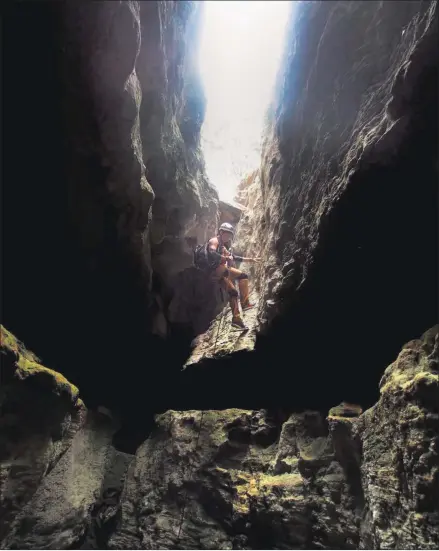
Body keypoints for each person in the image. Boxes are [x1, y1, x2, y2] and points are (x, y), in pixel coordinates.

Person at [207, 222, 260, 330]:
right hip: (217, 274)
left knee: (243, 276)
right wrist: (225, 258)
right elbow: (211, 253)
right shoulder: (214, 241)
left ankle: (245, 304)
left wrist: (250, 260)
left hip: (224, 269)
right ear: (221, 232)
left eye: (230, 235)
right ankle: (236, 320)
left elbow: (233, 257)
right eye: (227, 234)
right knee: (233, 292)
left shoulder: (222, 245)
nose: (229, 237)